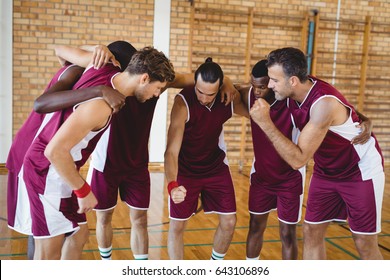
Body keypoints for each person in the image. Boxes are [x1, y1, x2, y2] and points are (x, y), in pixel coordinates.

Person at [51, 45, 238, 260]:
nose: (159, 92)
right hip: (106, 163)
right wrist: (97, 48)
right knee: (104, 218)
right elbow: (61, 52)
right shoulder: (108, 82)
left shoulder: (157, 81)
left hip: (137, 164)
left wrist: (227, 82)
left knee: (140, 219)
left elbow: (201, 78)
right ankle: (107, 263)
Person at [19, 46, 175, 260]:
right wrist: (83, 190)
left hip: (60, 170)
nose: (157, 94)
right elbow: (54, 151)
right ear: (144, 78)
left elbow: (59, 49)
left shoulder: (104, 65)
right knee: (48, 255)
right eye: (158, 88)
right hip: (47, 173)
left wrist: (96, 48)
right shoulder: (102, 106)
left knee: (79, 235)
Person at [249, 47, 384, 260]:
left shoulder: (323, 105)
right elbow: (345, 106)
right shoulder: (299, 87)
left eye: (274, 79)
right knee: (311, 231)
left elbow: (298, 160)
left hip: (358, 171)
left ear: (292, 80)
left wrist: (265, 123)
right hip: (325, 171)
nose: (270, 84)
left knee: (363, 241)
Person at [6, 41, 132, 260]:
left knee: (75, 233)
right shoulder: (77, 71)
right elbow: (40, 103)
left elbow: (60, 48)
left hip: (45, 149)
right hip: (31, 150)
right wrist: (100, 89)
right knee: (42, 233)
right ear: (114, 63)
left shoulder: (90, 74)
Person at [164, 58, 248, 260]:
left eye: (210, 94)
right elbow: (171, 152)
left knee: (229, 222)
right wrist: (172, 185)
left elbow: (258, 115)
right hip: (185, 170)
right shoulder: (182, 103)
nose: (203, 97)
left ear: (219, 88)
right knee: (177, 225)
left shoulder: (227, 98)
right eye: (199, 91)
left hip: (215, 168)